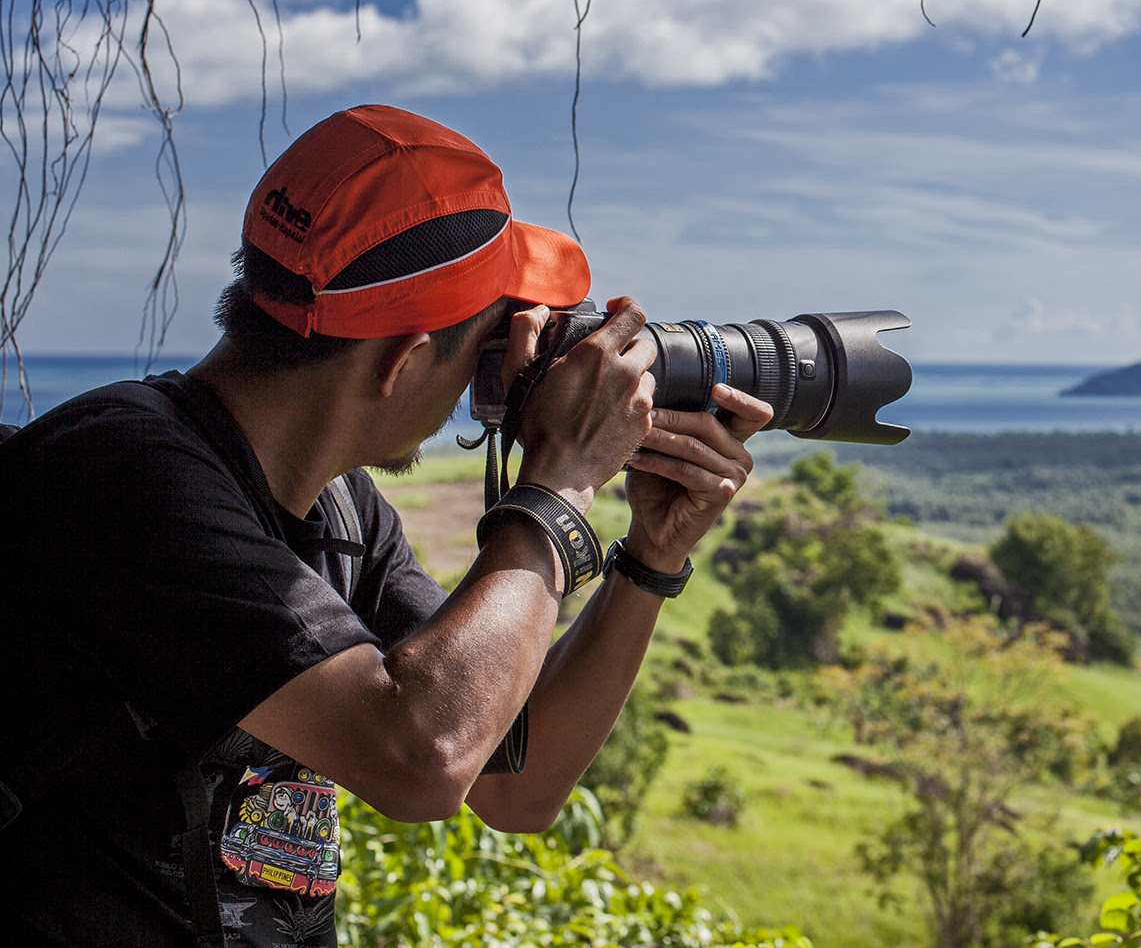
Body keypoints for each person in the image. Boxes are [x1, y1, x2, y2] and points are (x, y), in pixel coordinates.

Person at [0, 105, 770, 947]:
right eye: (486, 341)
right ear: (403, 358)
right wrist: (560, 483)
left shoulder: (342, 513)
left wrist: (649, 559)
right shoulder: (124, 473)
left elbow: (513, 778)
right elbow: (425, 758)